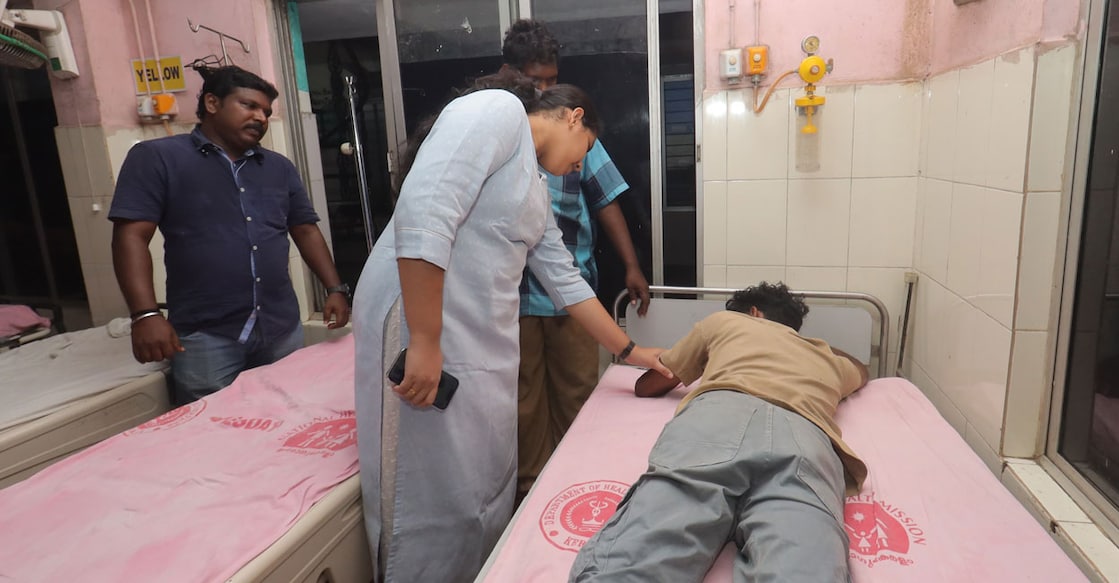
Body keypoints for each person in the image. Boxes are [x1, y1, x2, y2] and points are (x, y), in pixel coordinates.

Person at [351, 69, 670, 583]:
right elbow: (425, 209)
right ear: (573, 117)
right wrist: (425, 341)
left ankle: (480, 570)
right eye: (585, 149)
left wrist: (632, 352)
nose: (580, 164)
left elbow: (566, 282)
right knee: (427, 479)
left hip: (475, 328)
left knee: (483, 473)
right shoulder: (496, 112)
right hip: (421, 316)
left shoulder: (534, 184)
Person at [570, 282, 870, 582]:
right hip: (806, 439)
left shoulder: (726, 322)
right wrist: (811, 344)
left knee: (643, 552)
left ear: (754, 313)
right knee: (805, 564)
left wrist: (694, 361)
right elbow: (862, 370)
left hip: (719, 422)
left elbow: (649, 385)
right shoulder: (827, 358)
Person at [109, 66, 350, 405]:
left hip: (279, 326)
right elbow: (130, 237)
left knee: (292, 416)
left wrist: (334, 288)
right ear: (212, 103)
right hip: (206, 334)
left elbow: (305, 229)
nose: (260, 117)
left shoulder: (279, 168)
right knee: (211, 431)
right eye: (248, 105)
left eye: (266, 111)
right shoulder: (158, 158)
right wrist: (146, 315)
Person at [501, 18, 652, 502]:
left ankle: (580, 487)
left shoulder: (575, 131)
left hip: (570, 291)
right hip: (511, 297)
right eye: (534, 79)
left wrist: (631, 267)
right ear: (511, 71)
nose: (544, 89)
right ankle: (532, 502)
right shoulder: (499, 136)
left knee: (580, 397)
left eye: (551, 79)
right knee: (522, 408)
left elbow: (606, 200)